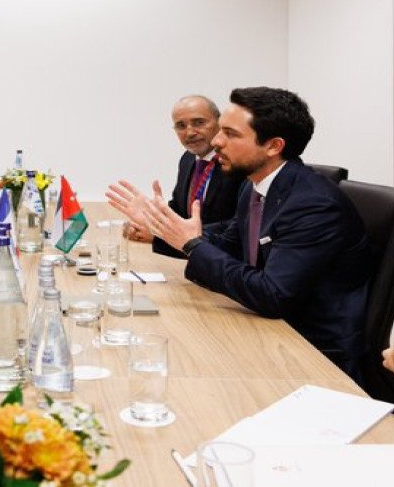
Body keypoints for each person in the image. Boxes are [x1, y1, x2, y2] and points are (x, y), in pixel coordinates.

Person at [108, 87, 370, 378]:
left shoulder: (313, 204)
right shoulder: (255, 185)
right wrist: (164, 230)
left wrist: (192, 244)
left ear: (273, 146)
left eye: (230, 134)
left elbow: (272, 294)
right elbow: (230, 243)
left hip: (312, 353)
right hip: (267, 329)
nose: (216, 141)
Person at [125, 95, 246, 258]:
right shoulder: (188, 159)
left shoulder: (237, 162)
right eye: (181, 126)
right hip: (194, 260)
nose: (190, 132)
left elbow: (238, 225)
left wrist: (162, 235)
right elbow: (180, 209)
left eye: (199, 122)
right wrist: (151, 219)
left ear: (220, 123)